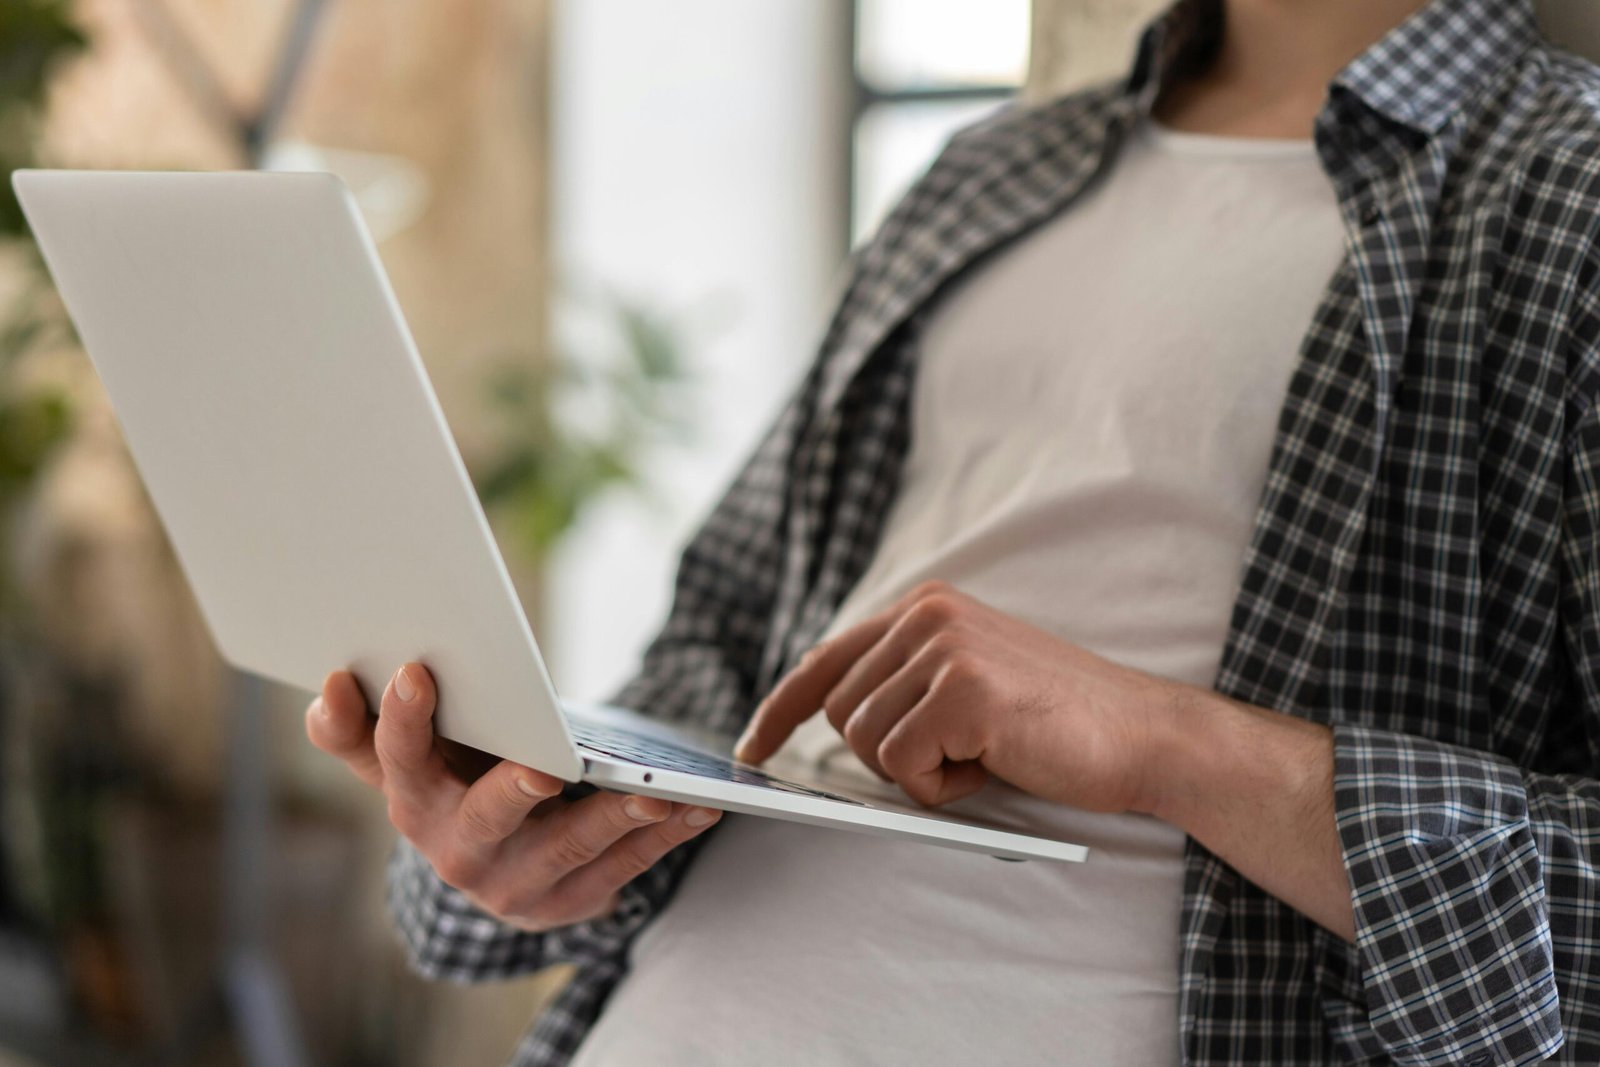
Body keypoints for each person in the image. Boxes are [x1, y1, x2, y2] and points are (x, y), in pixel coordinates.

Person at [306, 0, 1600, 1062]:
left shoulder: (1567, 195)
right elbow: (711, 660)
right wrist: (525, 824)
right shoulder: (985, 173)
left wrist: (1170, 744)